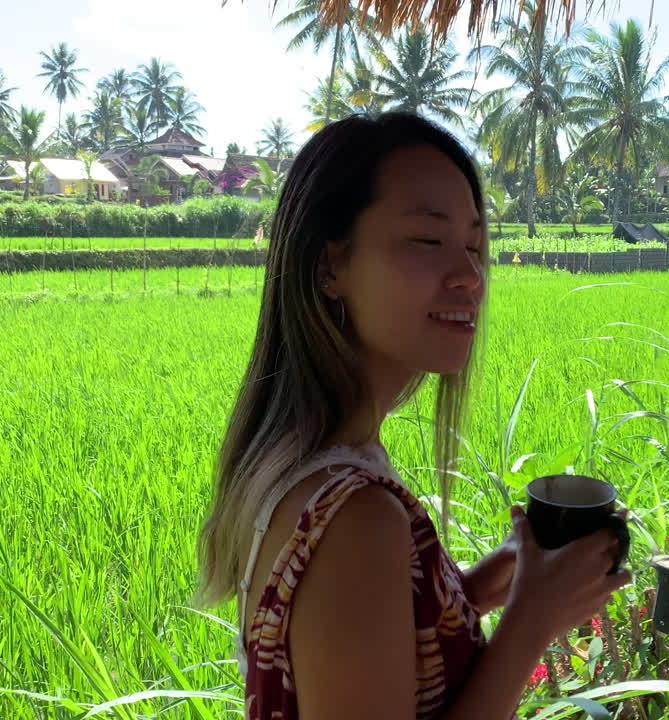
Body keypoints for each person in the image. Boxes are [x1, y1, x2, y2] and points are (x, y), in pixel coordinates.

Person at [196, 112, 631, 720]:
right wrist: (531, 624)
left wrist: (476, 589)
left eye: (476, 246)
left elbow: (362, 649)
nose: (471, 276)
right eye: (428, 241)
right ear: (331, 267)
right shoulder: (355, 518)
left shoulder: (309, 463)